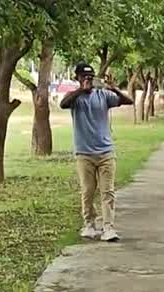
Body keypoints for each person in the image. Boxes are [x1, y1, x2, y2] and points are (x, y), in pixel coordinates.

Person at [60, 63, 133, 243]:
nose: (88, 81)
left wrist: (113, 88)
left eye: (91, 78)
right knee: (88, 191)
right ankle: (89, 224)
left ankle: (108, 227)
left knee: (107, 191)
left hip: (106, 152)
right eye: (84, 77)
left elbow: (128, 101)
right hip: (84, 153)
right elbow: (63, 104)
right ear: (77, 78)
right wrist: (80, 91)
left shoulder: (103, 96)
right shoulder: (74, 98)